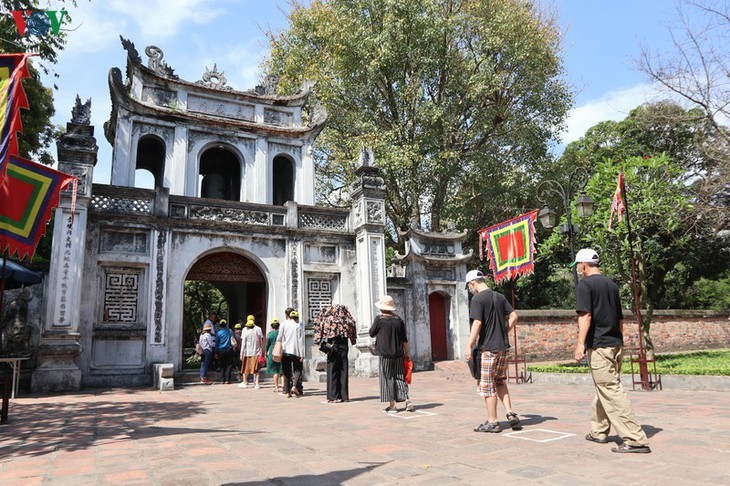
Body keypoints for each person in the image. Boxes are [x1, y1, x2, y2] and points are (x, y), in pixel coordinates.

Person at [572, 248, 651, 453]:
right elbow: (619, 318)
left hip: (600, 345)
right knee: (605, 387)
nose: (578, 269)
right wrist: (620, 340)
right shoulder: (611, 285)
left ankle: (635, 439)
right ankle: (599, 431)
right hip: (615, 343)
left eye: (578, 265)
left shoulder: (585, 285)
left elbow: (585, 317)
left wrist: (580, 344)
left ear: (584, 265)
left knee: (611, 389)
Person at [464, 269, 521, 433]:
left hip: (488, 349)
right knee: (500, 380)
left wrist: (469, 344)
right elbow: (514, 317)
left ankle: (493, 421)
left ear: (473, 283)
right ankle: (510, 413)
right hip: (503, 347)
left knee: (487, 385)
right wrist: (504, 332)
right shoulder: (499, 296)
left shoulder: (477, 299)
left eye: (470, 285)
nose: (470, 288)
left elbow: (477, 323)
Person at [369, 295, 414, 413]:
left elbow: (371, 333)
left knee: (388, 378)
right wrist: (408, 353)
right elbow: (404, 339)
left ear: (382, 308)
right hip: (399, 353)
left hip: (385, 354)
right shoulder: (399, 320)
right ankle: (407, 400)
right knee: (400, 377)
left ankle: (392, 405)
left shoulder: (379, 320)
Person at [314, 304, 357, 403]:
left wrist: (318, 339)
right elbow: (353, 326)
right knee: (343, 370)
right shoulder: (346, 319)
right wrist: (353, 340)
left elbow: (317, 324)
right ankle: (344, 396)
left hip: (332, 346)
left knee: (332, 370)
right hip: (344, 346)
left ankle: (333, 396)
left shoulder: (327, 318)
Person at [278, 309, 305, 397]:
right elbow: (301, 341)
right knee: (297, 370)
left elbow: (279, 337)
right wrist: (302, 354)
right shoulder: (298, 326)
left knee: (286, 372)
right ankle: (294, 386)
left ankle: (288, 392)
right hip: (296, 351)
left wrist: (279, 347)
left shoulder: (283, 324)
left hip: (285, 351)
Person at [239, 315, 264, 389]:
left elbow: (243, 343)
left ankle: (244, 382)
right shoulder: (258, 330)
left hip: (247, 353)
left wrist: (241, 353)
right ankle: (256, 384)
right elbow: (261, 341)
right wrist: (261, 351)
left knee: (245, 368)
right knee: (256, 369)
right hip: (256, 352)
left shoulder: (245, 331)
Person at [266, 318, 283, 393]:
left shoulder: (270, 334)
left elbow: (267, 345)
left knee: (275, 371)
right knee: (282, 370)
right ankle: (283, 385)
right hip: (281, 352)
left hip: (273, 353)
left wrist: (265, 352)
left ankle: (276, 387)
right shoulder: (281, 333)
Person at [216, 319, 234, 384]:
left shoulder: (218, 333)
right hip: (229, 349)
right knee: (229, 365)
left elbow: (217, 343)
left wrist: (216, 352)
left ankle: (222, 380)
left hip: (221, 350)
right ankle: (227, 380)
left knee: (222, 365)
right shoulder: (229, 331)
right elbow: (233, 339)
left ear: (220, 326)